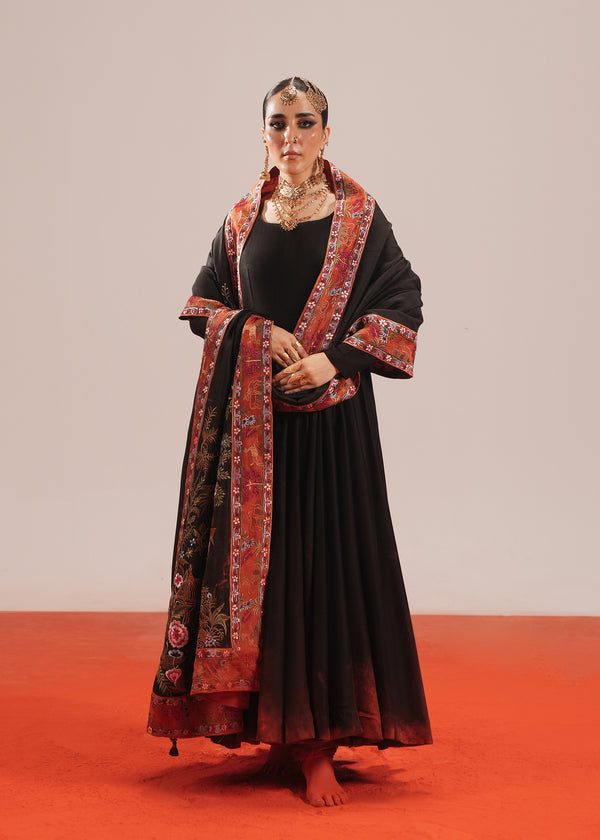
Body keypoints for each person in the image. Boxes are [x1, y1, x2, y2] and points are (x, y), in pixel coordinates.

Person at [147, 76, 432, 807]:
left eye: (306, 123)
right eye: (279, 123)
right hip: (254, 432)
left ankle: (318, 747)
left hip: (332, 430)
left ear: (327, 133)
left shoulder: (359, 217)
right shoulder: (244, 216)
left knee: (323, 571)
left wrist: (335, 360)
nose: (292, 136)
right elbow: (202, 303)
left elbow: (403, 299)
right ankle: (268, 726)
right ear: (264, 133)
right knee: (265, 579)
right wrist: (257, 331)